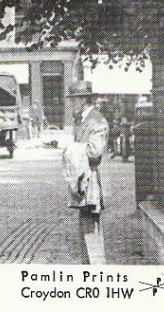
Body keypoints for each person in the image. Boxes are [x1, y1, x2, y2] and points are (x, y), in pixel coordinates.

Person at [61, 80, 108, 264]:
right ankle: (89, 267)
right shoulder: (83, 120)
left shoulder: (96, 121)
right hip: (83, 178)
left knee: (91, 228)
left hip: (90, 179)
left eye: (73, 100)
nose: (71, 104)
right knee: (85, 225)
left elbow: (94, 152)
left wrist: (72, 149)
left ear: (82, 100)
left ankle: (97, 270)